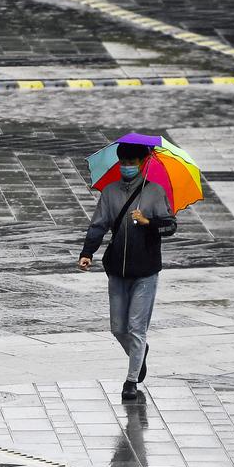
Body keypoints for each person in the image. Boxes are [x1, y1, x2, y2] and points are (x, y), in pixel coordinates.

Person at [78, 142, 177, 401]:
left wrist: (148, 222)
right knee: (118, 328)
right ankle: (139, 353)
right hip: (117, 270)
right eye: (123, 163)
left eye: (131, 163)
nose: (126, 167)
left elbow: (170, 226)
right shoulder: (110, 192)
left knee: (136, 327)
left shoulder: (155, 192)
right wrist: (87, 252)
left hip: (146, 271)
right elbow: (98, 224)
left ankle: (131, 381)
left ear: (142, 163)